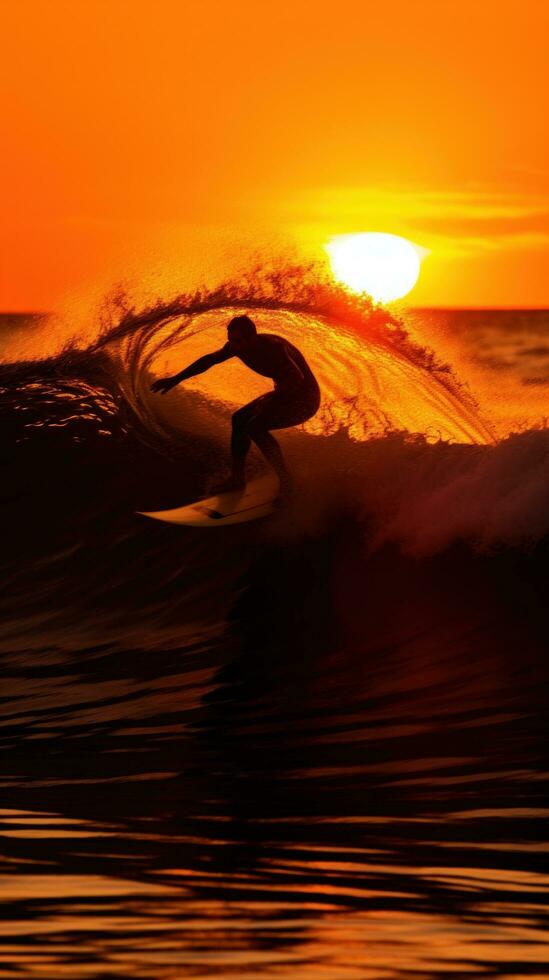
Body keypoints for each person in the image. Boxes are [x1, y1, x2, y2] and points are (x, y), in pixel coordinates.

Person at [151, 314, 320, 496]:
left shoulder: (273, 349)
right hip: (284, 394)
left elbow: (297, 378)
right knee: (239, 419)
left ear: (252, 338)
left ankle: (287, 482)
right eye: (231, 340)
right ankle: (237, 479)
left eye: (238, 341)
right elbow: (209, 360)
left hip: (305, 399)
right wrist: (175, 379)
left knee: (255, 427)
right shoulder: (237, 347)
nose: (234, 345)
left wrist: (271, 399)